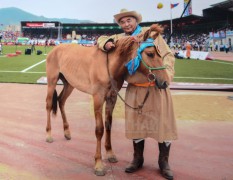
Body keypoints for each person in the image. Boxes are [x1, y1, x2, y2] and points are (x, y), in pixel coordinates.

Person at [97, 9, 177, 180]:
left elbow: (168, 55)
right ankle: (137, 159)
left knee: (162, 125)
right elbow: (101, 39)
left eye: (129, 20)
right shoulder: (120, 39)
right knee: (137, 126)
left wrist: (166, 76)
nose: (126, 24)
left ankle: (164, 162)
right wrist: (106, 43)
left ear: (135, 21)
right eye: (122, 22)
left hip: (156, 89)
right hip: (135, 89)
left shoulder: (151, 35)